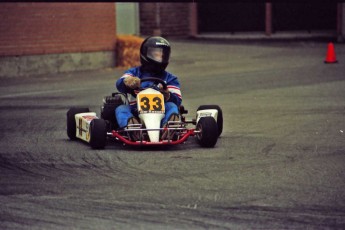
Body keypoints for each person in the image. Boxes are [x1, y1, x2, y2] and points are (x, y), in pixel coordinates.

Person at [115, 36, 182, 140]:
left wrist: (168, 95)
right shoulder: (134, 73)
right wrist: (128, 82)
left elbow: (178, 100)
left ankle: (168, 128)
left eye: (162, 54)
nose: (160, 57)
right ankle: (133, 128)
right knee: (121, 109)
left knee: (172, 106)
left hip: (162, 112)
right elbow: (120, 84)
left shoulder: (170, 78)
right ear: (146, 54)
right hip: (135, 111)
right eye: (156, 54)